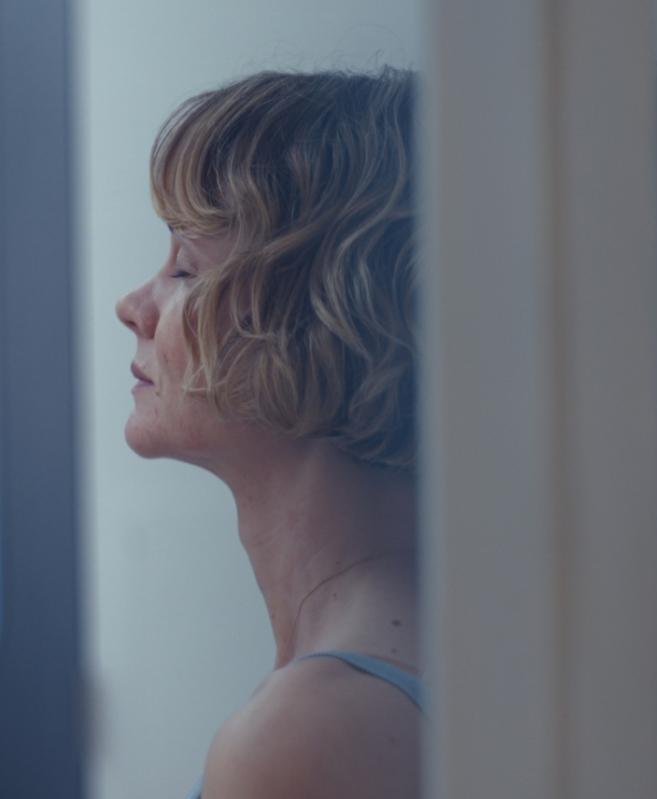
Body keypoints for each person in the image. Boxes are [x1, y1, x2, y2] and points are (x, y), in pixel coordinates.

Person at [116, 68, 422, 799]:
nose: (131, 307)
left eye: (185, 269)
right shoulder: (439, 647)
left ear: (315, 318)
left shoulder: (304, 737)